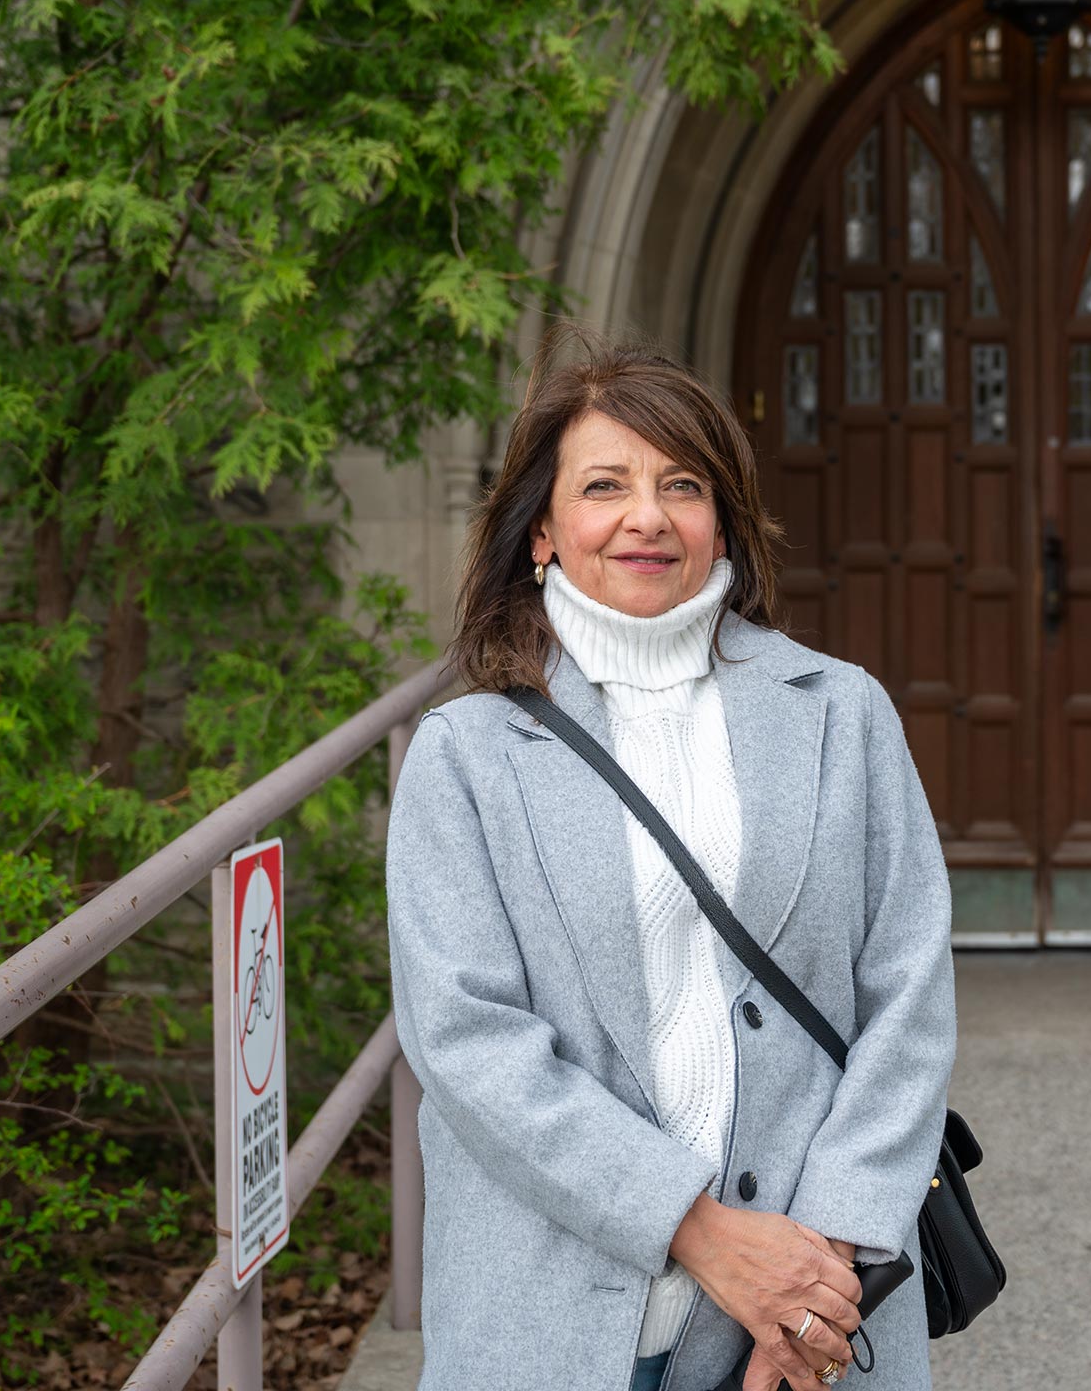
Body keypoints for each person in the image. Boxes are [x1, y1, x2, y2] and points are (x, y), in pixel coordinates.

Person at [386, 335, 957, 1391]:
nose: (647, 515)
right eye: (606, 485)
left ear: (721, 520)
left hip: (811, 1327)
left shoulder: (842, 714)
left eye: (680, 485)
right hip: (554, 1316)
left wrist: (821, 1268)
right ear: (544, 531)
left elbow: (908, 996)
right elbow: (469, 1044)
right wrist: (701, 1232)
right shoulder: (463, 755)